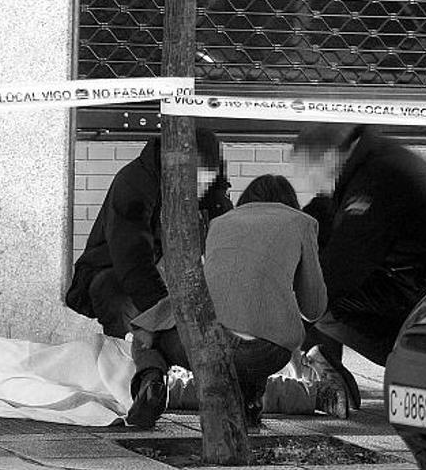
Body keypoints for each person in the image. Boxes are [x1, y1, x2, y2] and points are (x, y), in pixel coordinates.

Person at [125, 174, 330, 428]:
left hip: (201, 345)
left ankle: (153, 381)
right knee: (254, 339)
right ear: (290, 203)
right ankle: (249, 403)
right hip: (263, 352)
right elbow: (314, 309)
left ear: (246, 200)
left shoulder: (219, 223)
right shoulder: (302, 223)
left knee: (147, 337)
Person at [293, 123, 426, 406]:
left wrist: (285, 309)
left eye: (310, 171)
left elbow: (342, 269)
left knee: (316, 300)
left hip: (424, 297)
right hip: (422, 282)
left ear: (328, 157)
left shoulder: (375, 179)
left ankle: (410, 363)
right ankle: (323, 356)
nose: (314, 184)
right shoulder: (375, 160)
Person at [65, 129, 226, 339]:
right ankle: (133, 363)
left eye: (207, 184)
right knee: (122, 304)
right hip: (116, 272)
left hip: (167, 274)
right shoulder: (134, 183)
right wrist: (165, 317)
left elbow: (223, 230)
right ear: (176, 169)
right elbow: (132, 259)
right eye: (197, 184)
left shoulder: (205, 190)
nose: (200, 192)